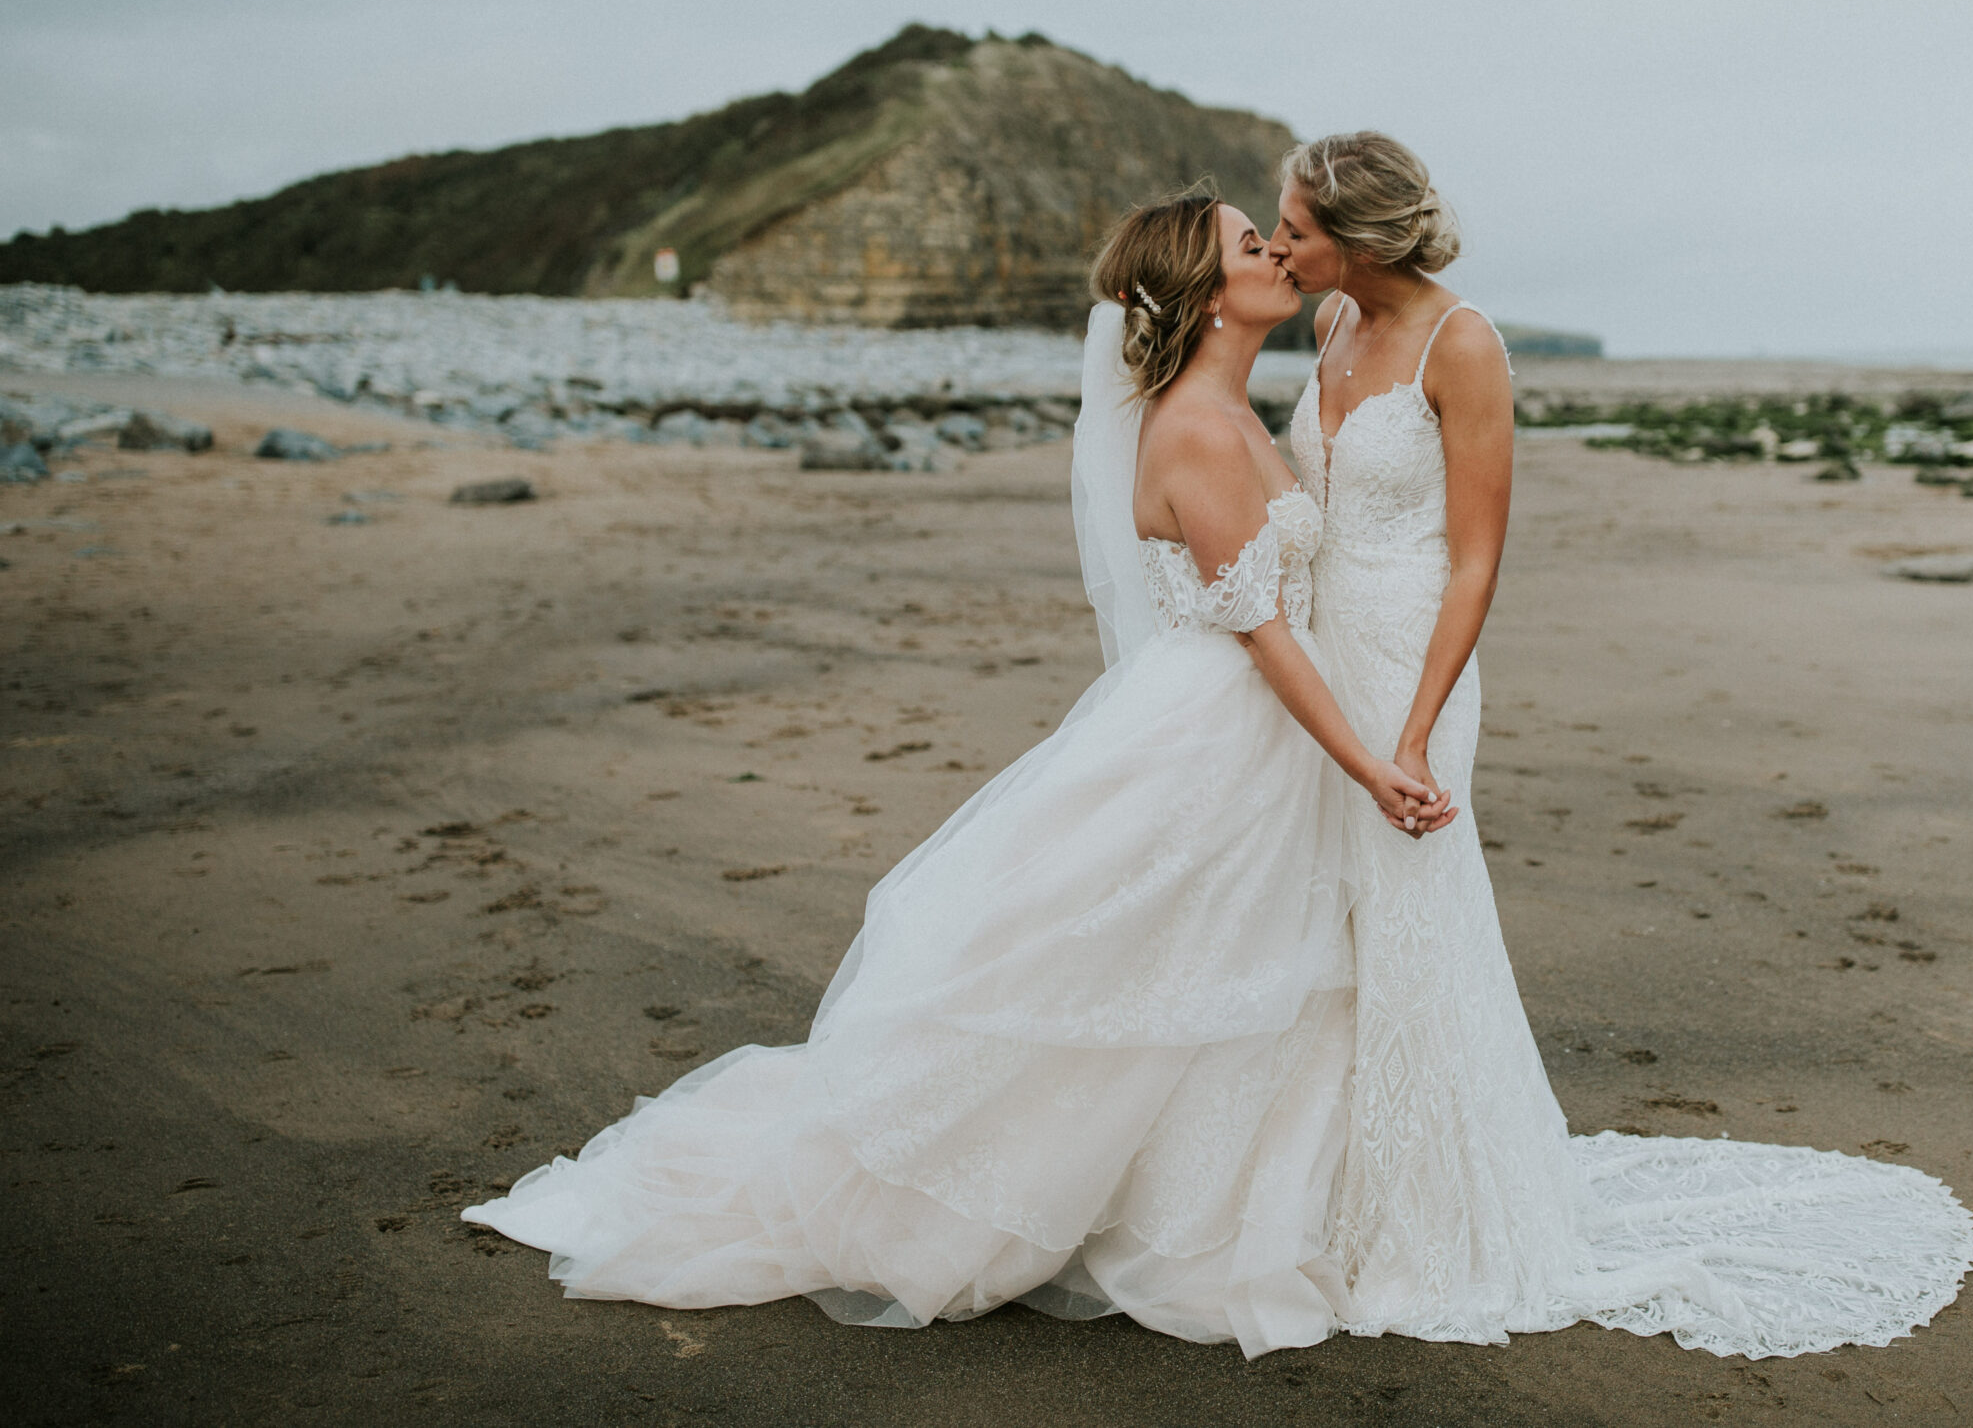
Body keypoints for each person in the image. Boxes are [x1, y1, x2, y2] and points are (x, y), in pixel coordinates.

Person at [464, 188, 1433, 1357]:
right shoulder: (1191, 426)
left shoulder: (1232, 408)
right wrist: (1366, 763)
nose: (1275, 250)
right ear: (1201, 291)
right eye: (1248, 243)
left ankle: (1225, 1194)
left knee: (1205, 971)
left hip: (1244, 734)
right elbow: (1265, 632)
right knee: (1136, 969)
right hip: (1218, 730)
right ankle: (1041, 1200)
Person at [1272, 132, 1973, 1353]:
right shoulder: (1328, 328)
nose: (1278, 240)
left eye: (1295, 223)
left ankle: (1423, 1213)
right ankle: (1315, 1184)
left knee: (1408, 911)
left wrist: (1421, 728)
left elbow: (1477, 556)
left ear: (1360, 235)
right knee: (1319, 911)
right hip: (1317, 658)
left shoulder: (1464, 343)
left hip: (1406, 661)